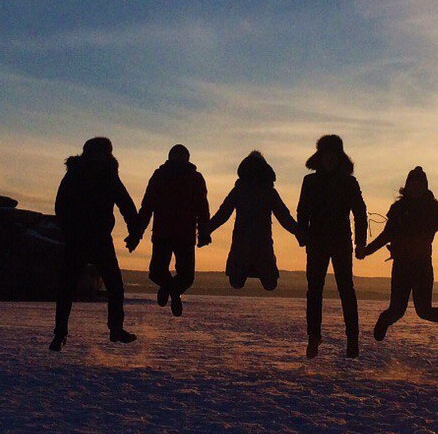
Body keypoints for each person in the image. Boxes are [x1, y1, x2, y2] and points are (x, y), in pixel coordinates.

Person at [359, 166, 438, 345]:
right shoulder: (399, 208)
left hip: (422, 267)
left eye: (419, 185)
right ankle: (385, 320)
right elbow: (387, 235)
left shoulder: (432, 209)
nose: (416, 188)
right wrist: (367, 250)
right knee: (397, 309)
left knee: (424, 310)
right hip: (401, 266)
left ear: (425, 187)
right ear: (407, 186)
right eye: (413, 184)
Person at [50, 136, 141, 351]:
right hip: (79, 239)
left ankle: (115, 330)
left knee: (114, 286)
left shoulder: (109, 175)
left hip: (99, 238)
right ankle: (60, 334)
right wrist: (69, 231)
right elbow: (60, 205)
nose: (105, 155)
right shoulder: (76, 173)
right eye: (102, 151)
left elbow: (126, 204)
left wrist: (134, 233)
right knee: (67, 288)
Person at [297, 134, 368, 358]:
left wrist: (360, 242)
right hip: (316, 242)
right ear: (320, 156)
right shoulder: (310, 181)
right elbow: (302, 211)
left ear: (339, 157)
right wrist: (303, 235)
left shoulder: (348, 182)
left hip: (341, 242)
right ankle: (313, 337)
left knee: (346, 289)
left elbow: (360, 213)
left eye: (333, 155)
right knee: (314, 290)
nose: (329, 159)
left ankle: (352, 338)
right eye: (326, 154)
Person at [127, 144, 210, 317]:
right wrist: (136, 233)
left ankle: (169, 289)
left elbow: (202, 208)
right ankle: (173, 292)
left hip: (179, 235)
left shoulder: (193, 178)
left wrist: (204, 232)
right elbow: (147, 206)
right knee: (160, 273)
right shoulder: (162, 176)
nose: (179, 159)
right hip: (169, 234)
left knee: (181, 276)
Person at [204, 150, 300, 292]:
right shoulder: (267, 191)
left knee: (237, 282)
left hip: (243, 242)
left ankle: (248, 270)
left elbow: (223, 214)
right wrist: (300, 233)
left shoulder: (240, 190)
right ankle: (255, 270)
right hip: (261, 242)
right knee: (269, 284)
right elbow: (284, 217)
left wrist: (206, 230)